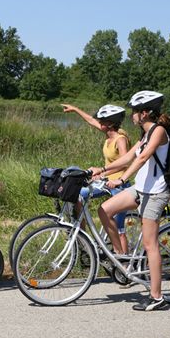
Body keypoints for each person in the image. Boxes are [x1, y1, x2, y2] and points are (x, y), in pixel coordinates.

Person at [90, 90, 170, 311]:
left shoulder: (159, 131)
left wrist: (123, 179)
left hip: (156, 192)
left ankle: (157, 297)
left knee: (150, 244)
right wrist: (103, 170)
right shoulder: (144, 135)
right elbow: (128, 157)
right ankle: (121, 259)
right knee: (104, 210)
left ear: (144, 113)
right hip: (141, 189)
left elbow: (143, 157)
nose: (132, 115)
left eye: (135, 111)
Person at [62, 103, 132, 252]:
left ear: (110, 123)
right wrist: (75, 109)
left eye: (102, 121)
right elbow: (90, 120)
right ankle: (82, 237)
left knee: (119, 229)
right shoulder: (108, 135)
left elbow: (125, 163)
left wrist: (102, 173)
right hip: (106, 182)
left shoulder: (120, 139)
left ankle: (125, 263)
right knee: (78, 195)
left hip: (119, 185)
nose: (99, 123)